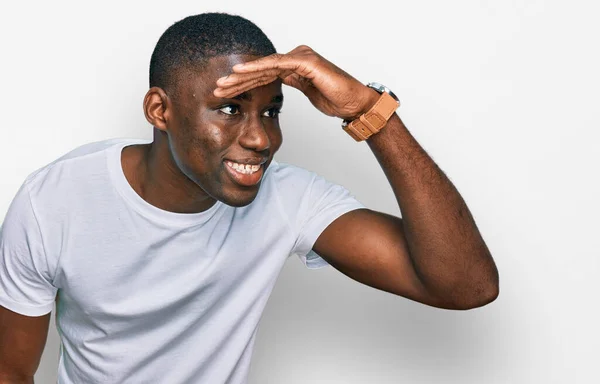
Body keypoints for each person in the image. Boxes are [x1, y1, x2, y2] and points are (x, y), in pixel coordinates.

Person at [0, 12, 499, 384]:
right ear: (160, 109)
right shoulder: (55, 201)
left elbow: (466, 286)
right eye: (230, 109)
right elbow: (11, 372)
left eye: (271, 112)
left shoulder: (287, 199)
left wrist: (371, 112)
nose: (260, 138)